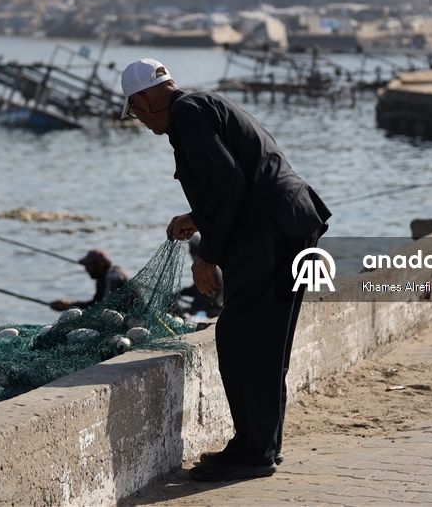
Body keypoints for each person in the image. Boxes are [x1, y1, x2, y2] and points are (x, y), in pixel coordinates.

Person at [120, 57, 331, 482]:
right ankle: (262, 446)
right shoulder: (200, 104)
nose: (139, 121)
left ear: (144, 99)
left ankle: (253, 452)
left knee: (239, 338)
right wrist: (196, 216)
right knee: (266, 343)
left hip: (271, 234)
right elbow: (236, 180)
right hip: (289, 223)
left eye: (135, 111)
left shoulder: (185, 114)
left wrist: (207, 255)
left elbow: (228, 183)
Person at [48, 249, 129, 311]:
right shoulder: (101, 278)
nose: (86, 269)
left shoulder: (112, 277)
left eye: (88, 266)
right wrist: (69, 306)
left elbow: (108, 308)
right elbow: (96, 303)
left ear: (99, 266)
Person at [179, 235, 223, 318]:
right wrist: (180, 293)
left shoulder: (207, 270)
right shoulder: (214, 266)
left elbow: (207, 295)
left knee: (182, 313)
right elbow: (197, 288)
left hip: (214, 311)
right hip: (215, 307)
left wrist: (193, 308)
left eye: (192, 250)